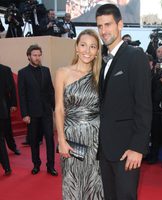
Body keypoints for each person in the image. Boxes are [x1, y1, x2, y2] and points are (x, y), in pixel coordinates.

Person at [96, 4, 152, 200]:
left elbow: (144, 105)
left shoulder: (135, 56)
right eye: (100, 26)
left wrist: (138, 147)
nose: (103, 31)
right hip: (104, 149)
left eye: (108, 24)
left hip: (127, 149)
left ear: (120, 25)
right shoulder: (101, 61)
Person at [55, 29, 104, 200]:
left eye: (92, 46)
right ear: (76, 47)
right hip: (72, 137)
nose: (87, 51)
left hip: (96, 138)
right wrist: (61, 140)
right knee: (72, 182)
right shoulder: (63, 72)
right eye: (83, 45)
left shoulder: (101, 75)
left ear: (97, 51)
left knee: (95, 183)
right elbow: (59, 109)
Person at [18, 44, 57, 176]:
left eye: (39, 55)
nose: (37, 57)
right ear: (29, 56)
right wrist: (25, 114)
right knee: (34, 141)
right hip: (32, 114)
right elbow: (21, 95)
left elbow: (50, 91)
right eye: (35, 55)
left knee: (50, 140)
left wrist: (55, 108)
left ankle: (50, 166)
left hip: (46, 112)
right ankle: (36, 165)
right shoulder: (22, 73)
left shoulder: (46, 70)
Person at [0, 64, 20, 155]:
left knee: (7, 128)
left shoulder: (5, 69)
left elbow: (12, 88)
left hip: (4, 103)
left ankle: (12, 146)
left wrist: (13, 104)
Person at [0, 64, 14, 175]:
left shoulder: (5, 70)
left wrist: (11, 104)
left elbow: (11, 88)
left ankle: (7, 167)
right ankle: (7, 167)